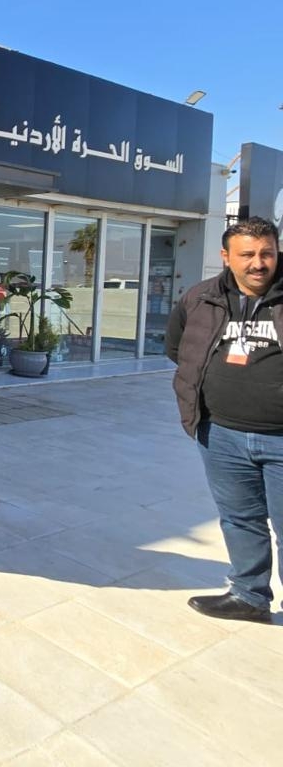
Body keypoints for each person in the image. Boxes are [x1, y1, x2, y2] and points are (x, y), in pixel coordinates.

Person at [167, 216, 283, 624]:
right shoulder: (200, 298)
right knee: (240, 519)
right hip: (220, 434)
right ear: (226, 256)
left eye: (267, 253)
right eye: (247, 254)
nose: (258, 263)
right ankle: (249, 596)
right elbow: (178, 348)